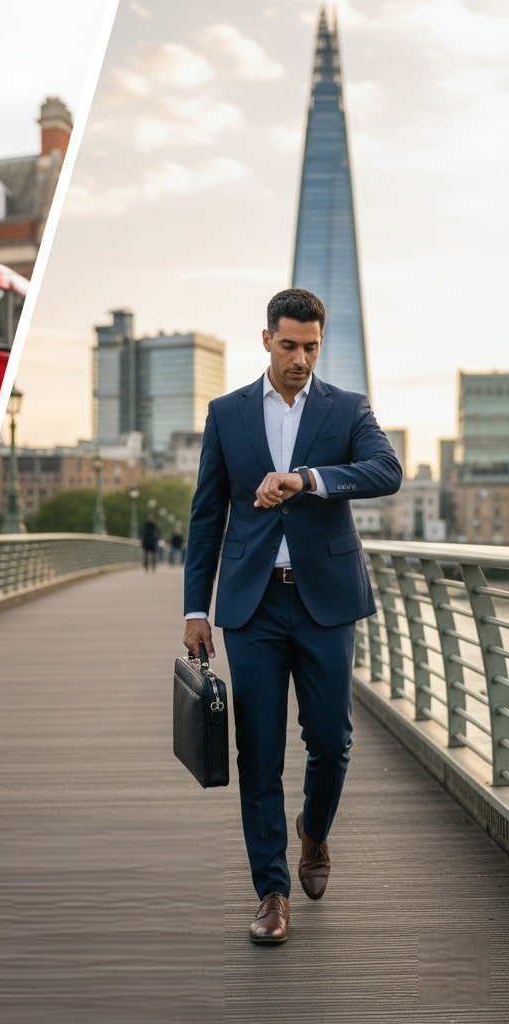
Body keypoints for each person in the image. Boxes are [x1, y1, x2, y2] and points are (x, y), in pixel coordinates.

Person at [182, 289, 401, 945]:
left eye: (311, 346)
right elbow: (205, 515)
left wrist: (306, 479)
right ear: (266, 339)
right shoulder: (226, 414)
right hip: (252, 605)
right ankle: (271, 891)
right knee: (259, 753)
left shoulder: (348, 409)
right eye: (289, 345)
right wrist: (196, 606)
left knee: (331, 742)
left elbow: (385, 470)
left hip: (326, 602)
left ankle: (315, 832)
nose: (301, 357)